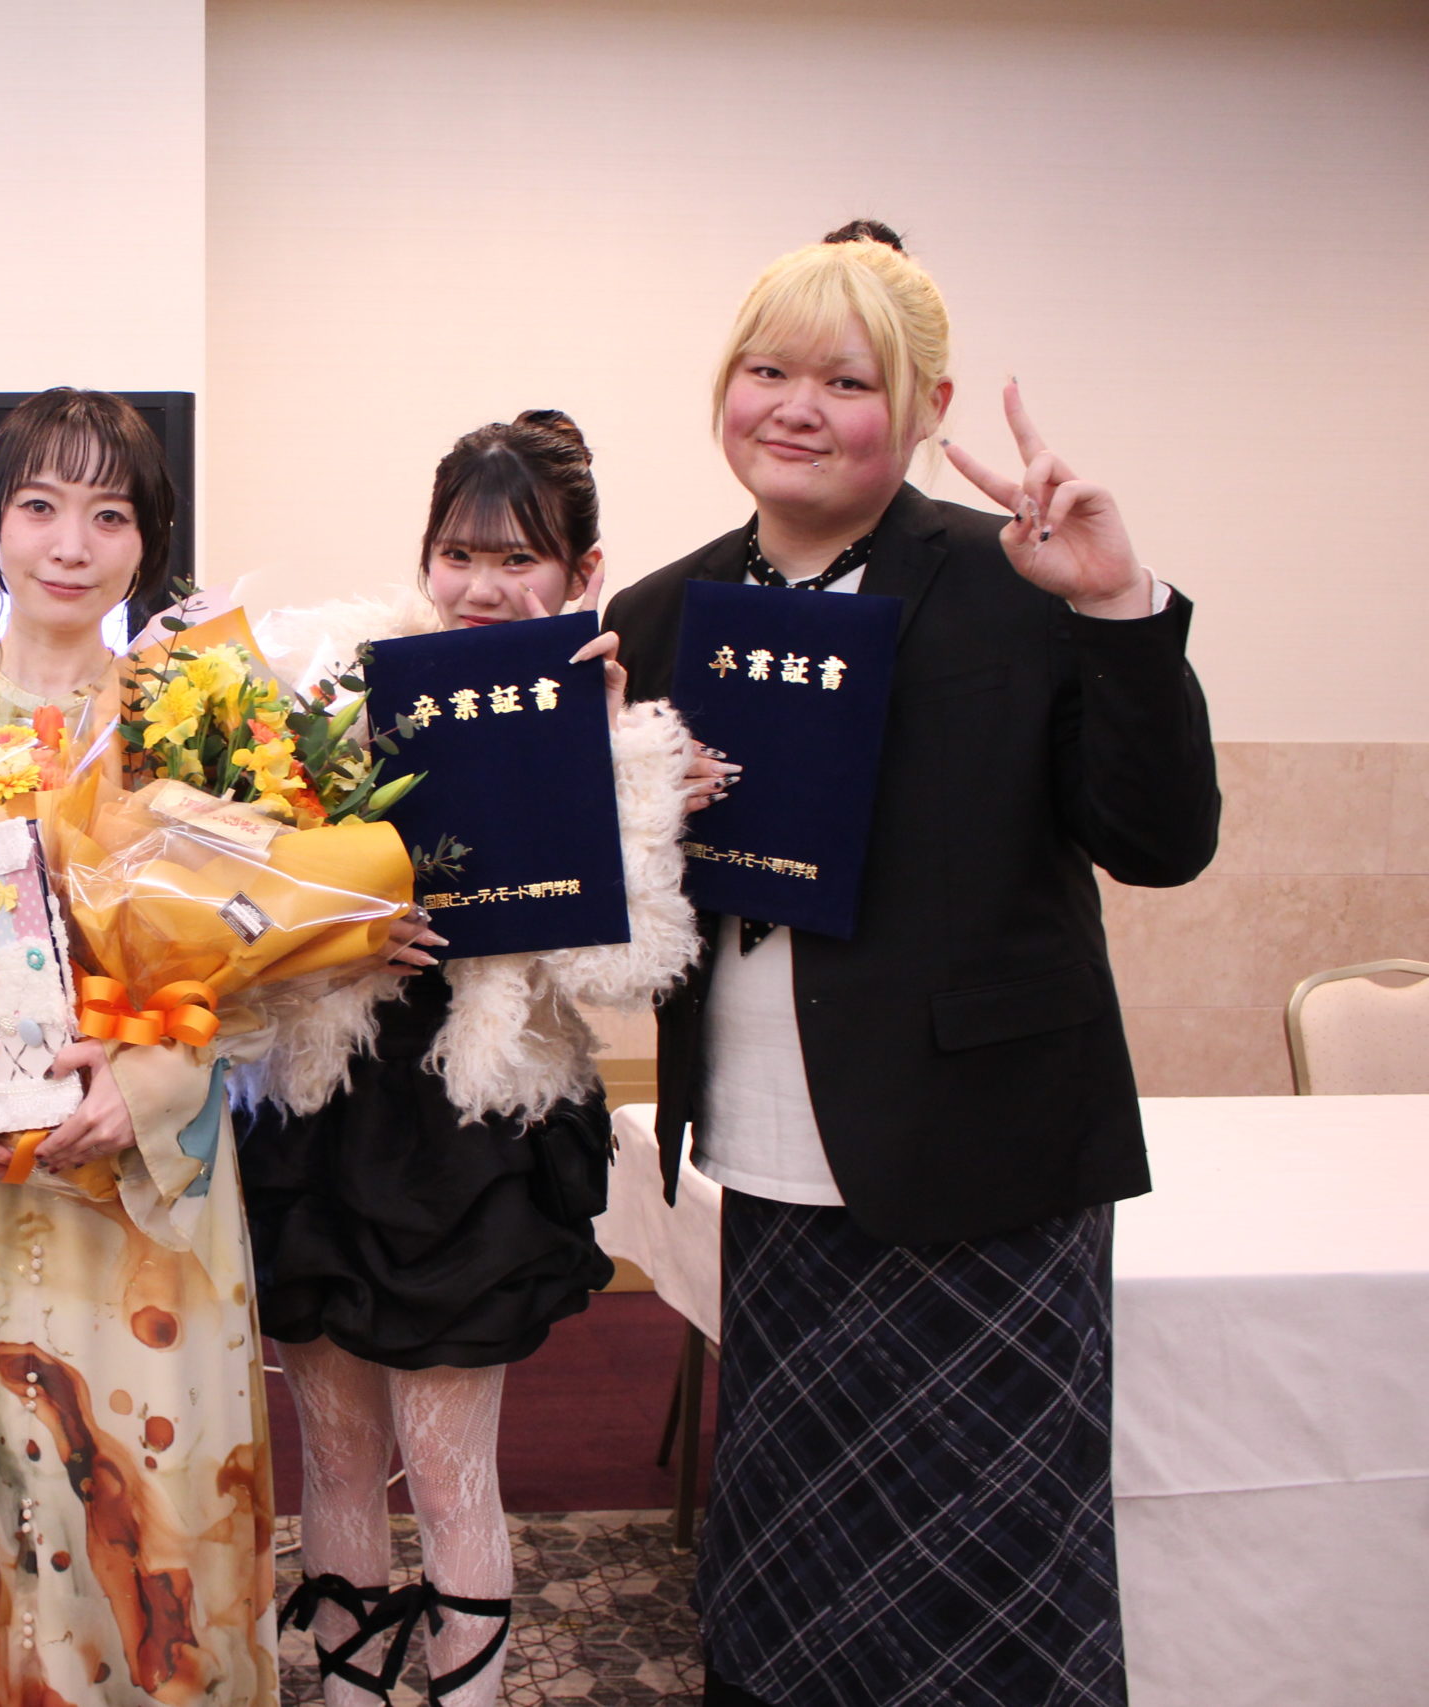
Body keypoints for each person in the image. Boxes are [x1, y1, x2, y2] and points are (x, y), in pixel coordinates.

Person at [603, 222, 1221, 1707]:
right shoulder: (662, 617)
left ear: (928, 408)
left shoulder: (1020, 582)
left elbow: (1161, 841)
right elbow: (629, 909)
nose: (795, 408)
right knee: (795, 1562)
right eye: (766, 371)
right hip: (770, 1155)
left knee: (989, 1576)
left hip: (988, 1157)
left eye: (847, 380)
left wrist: (1119, 606)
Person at [235, 412, 707, 1706]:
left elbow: (622, 974)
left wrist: (610, 768)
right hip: (323, 1113)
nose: (482, 587)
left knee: (448, 1478)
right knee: (335, 1465)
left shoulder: (617, 733)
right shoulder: (331, 689)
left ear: (582, 572)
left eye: (517, 559)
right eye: (458, 554)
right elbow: (244, 905)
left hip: (473, 1138)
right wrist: (335, 926)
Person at [0, 388, 276, 1706]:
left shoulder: (203, 728)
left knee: (141, 1517)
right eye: (38, 505)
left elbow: (265, 963)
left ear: (149, 543)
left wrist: (154, 1080)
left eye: (109, 514)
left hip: (135, 1191)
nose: (70, 543)